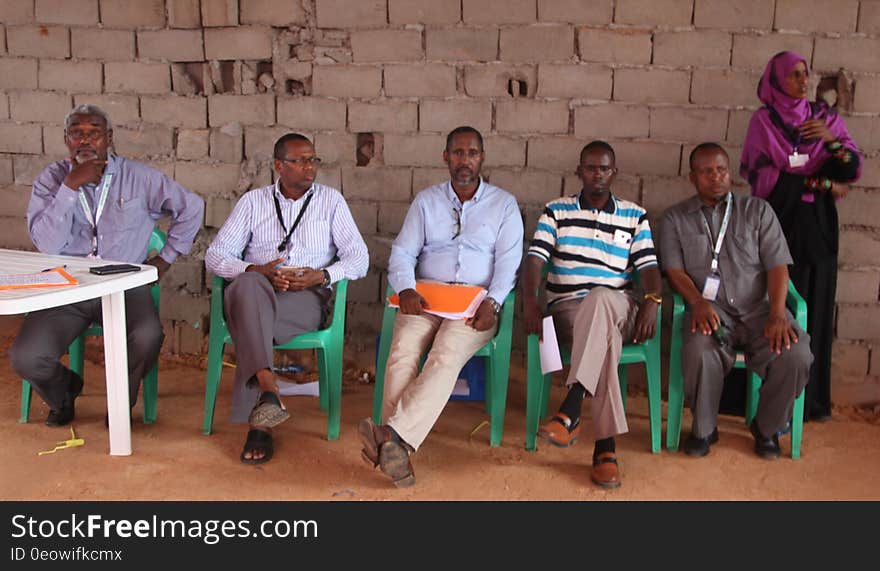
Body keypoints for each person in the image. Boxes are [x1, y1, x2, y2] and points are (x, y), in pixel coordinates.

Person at [9, 104, 204, 427]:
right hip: (67, 285)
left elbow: (193, 207)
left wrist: (165, 259)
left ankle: (120, 404)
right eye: (77, 133)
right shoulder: (52, 179)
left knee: (147, 336)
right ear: (66, 139)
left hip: (123, 285)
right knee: (26, 357)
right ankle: (63, 392)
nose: (85, 141)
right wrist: (70, 187)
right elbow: (47, 245)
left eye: (94, 133)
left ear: (109, 138)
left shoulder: (138, 177)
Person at [358, 126, 523, 488]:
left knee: (445, 354)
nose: (465, 160)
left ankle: (392, 437)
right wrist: (406, 288)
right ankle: (395, 446)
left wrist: (493, 302)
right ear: (445, 157)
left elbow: (509, 263)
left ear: (482, 158)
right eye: (458, 153)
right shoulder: (426, 201)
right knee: (402, 351)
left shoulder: (503, 205)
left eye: (472, 153)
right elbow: (403, 252)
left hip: (474, 303)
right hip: (427, 297)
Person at [205, 133, 368, 465]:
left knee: (249, 320)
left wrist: (320, 276)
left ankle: (264, 409)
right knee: (248, 287)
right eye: (300, 161)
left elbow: (360, 259)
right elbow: (215, 256)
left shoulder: (331, 201)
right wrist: (258, 270)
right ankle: (267, 394)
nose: (310, 167)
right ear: (279, 166)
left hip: (304, 298)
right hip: (257, 291)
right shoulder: (253, 202)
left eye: (313, 160)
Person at [522, 141, 661, 489]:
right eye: (590, 167)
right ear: (579, 171)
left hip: (619, 307)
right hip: (568, 310)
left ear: (614, 172)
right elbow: (536, 259)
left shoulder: (634, 215)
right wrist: (529, 299)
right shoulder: (556, 211)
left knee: (601, 299)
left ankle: (572, 405)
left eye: (604, 168)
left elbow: (649, 268)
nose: (597, 174)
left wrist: (653, 299)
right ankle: (605, 450)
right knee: (605, 338)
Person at [661, 143, 814, 459]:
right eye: (706, 172)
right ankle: (704, 429)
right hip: (712, 311)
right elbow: (674, 270)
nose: (716, 177)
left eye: (721, 170)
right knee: (699, 349)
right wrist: (696, 301)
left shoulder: (758, 211)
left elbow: (777, 266)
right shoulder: (676, 218)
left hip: (759, 311)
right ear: (692, 177)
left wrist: (777, 313)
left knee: (796, 353)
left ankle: (767, 428)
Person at [741, 51, 862, 422]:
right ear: (776, 80)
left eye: (805, 74)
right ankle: (761, 398)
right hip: (776, 222)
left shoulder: (824, 119)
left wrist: (830, 139)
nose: (802, 81)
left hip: (818, 226)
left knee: (816, 306)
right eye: (794, 75)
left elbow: (852, 168)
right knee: (769, 302)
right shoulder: (763, 121)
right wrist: (821, 183)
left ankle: (808, 403)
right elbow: (759, 175)